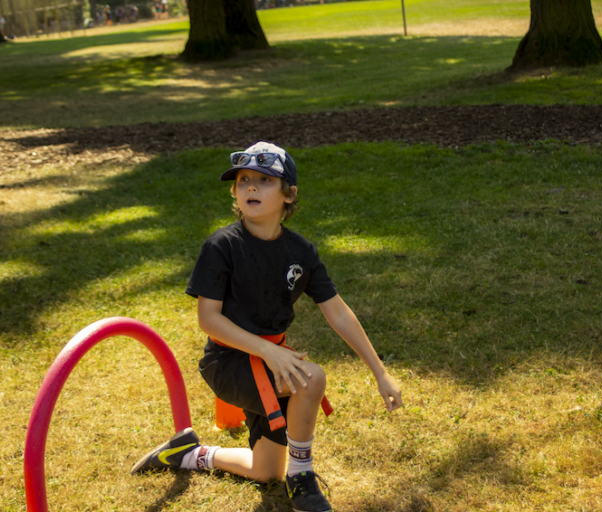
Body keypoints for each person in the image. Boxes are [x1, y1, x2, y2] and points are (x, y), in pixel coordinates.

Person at [131, 141, 403, 512]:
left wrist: (380, 372)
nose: (251, 188)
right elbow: (208, 320)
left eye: (264, 180)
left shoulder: (301, 252)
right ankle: (302, 476)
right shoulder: (221, 245)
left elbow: (337, 312)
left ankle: (189, 453)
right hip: (227, 362)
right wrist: (269, 351)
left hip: (271, 361)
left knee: (265, 470)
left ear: (289, 195)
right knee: (310, 378)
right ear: (235, 192)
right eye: (243, 181)